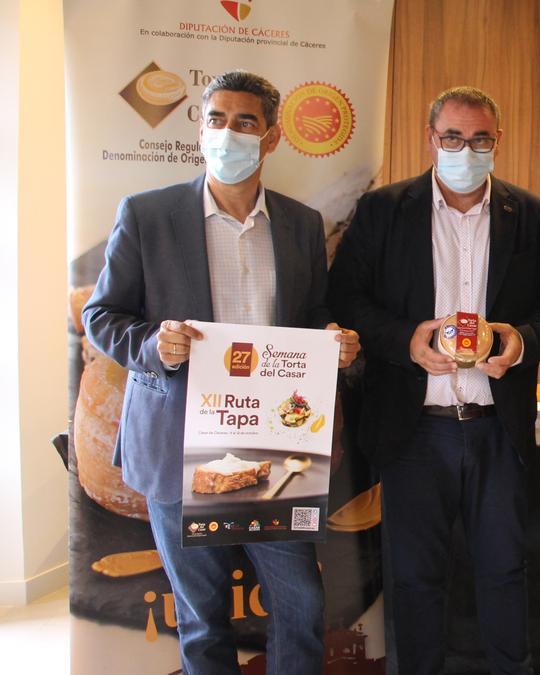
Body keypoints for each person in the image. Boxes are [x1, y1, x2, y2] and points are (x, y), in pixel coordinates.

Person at [83, 70, 361, 675]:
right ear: (201, 127)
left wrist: (333, 340)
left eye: (244, 122)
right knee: (202, 616)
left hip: (279, 449)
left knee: (300, 604)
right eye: (216, 119)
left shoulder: (299, 223)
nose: (227, 134)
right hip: (180, 440)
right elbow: (101, 315)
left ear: (271, 137)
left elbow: (314, 314)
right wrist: (156, 345)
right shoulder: (147, 215)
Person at [328, 86, 540, 674]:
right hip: (414, 431)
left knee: (504, 571)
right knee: (413, 579)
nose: (467, 149)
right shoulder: (385, 209)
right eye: (454, 138)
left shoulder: (529, 214)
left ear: (498, 141)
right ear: (431, 139)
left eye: (480, 139)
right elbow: (345, 300)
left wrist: (522, 342)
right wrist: (406, 339)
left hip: (497, 428)